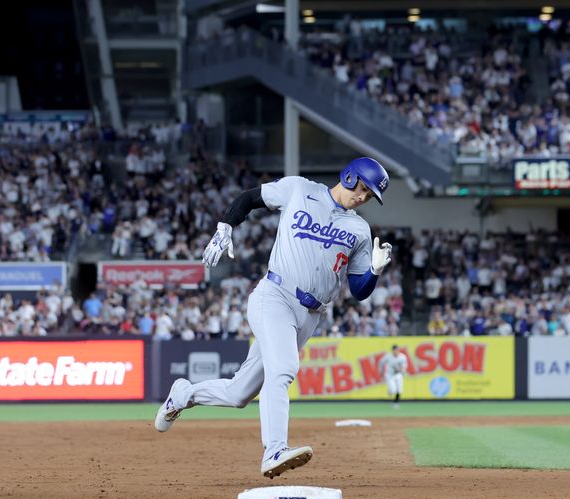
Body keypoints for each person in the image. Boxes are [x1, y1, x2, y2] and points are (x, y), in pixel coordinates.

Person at [154, 157, 393, 479]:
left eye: (371, 196)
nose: (364, 197)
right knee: (284, 369)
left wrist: (375, 271)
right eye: (364, 188)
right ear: (349, 177)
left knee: (239, 394)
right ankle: (274, 449)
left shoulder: (360, 229)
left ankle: (183, 394)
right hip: (275, 296)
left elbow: (359, 289)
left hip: (310, 316)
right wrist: (225, 226)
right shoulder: (300, 190)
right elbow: (250, 198)